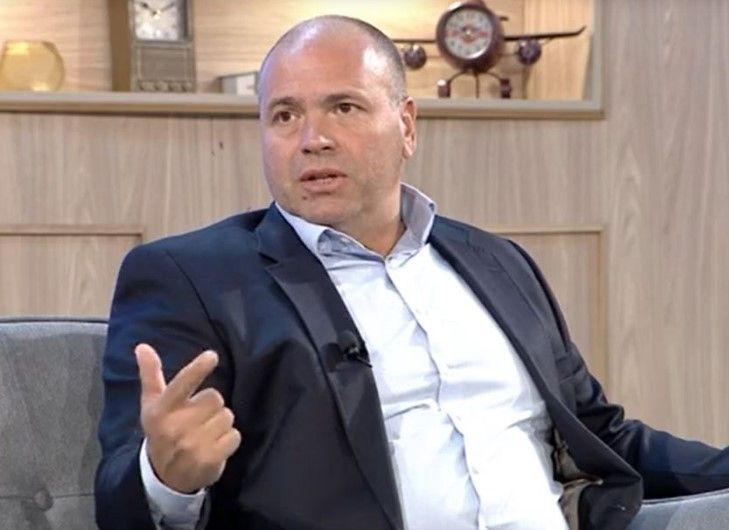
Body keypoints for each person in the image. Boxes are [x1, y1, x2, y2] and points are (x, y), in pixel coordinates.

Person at [95, 15, 729, 530]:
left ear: (405, 125)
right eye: (284, 115)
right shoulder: (192, 277)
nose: (312, 138)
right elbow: (119, 501)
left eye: (344, 107)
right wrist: (166, 478)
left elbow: (602, 435)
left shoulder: (498, 263)